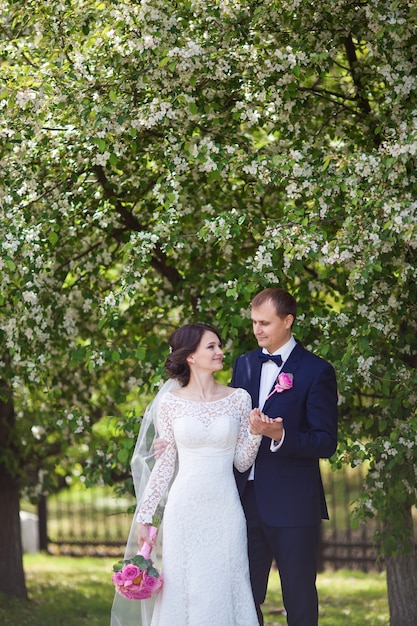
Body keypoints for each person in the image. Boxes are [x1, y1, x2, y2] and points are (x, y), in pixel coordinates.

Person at [111, 322, 266, 626]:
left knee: (226, 582)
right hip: (184, 509)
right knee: (184, 588)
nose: (220, 352)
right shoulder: (169, 403)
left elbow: (241, 463)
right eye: (212, 347)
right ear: (190, 356)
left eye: (219, 345)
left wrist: (257, 432)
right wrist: (145, 515)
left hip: (225, 508)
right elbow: (165, 465)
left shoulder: (239, 399)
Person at [231, 287, 338, 626]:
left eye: (265, 322)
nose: (257, 330)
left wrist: (281, 435)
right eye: (253, 323)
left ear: (288, 320)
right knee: (243, 595)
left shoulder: (316, 371)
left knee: (299, 595)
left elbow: (325, 442)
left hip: (293, 503)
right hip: (243, 501)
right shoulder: (244, 365)